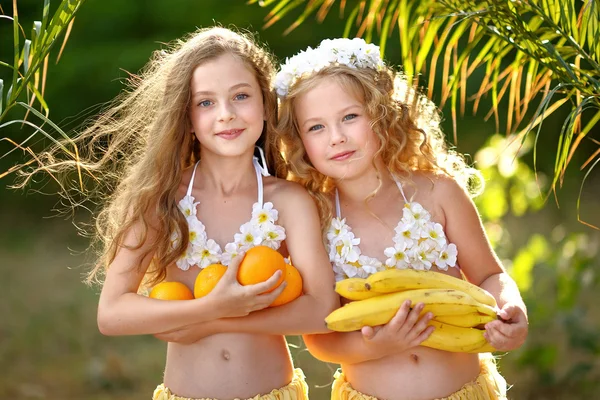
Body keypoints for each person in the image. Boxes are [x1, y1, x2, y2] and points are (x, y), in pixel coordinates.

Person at [28, 27, 340, 400]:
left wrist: (217, 314)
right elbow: (112, 313)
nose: (226, 114)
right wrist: (213, 306)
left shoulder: (289, 201)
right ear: (186, 115)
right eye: (205, 102)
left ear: (264, 105)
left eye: (240, 96)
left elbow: (321, 311)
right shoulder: (161, 200)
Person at [272, 38, 529, 400]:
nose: (337, 138)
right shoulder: (314, 219)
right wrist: (377, 346)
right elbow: (319, 337)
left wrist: (509, 307)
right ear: (298, 141)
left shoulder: (438, 193)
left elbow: (490, 275)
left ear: (381, 114)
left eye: (350, 117)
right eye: (316, 127)